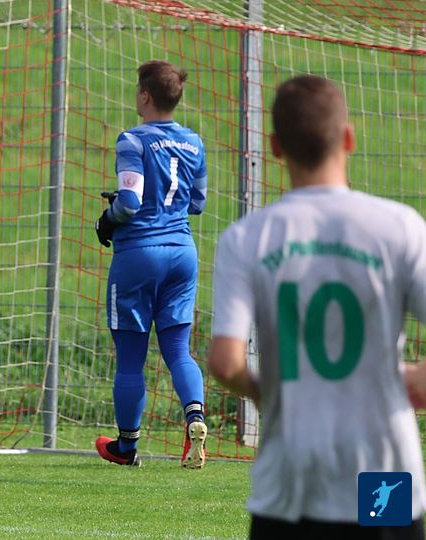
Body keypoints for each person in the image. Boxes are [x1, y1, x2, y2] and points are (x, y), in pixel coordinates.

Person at [209, 75, 426, 537]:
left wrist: (269, 392)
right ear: (348, 138)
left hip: (290, 481)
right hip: (383, 473)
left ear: (275, 147)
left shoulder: (246, 238)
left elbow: (225, 363)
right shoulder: (399, 227)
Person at [93, 60, 209, 468]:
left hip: (139, 255)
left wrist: (106, 221)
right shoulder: (194, 142)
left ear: (145, 96)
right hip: (182, 253)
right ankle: (195, 418)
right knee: (178, 349)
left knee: (130, 358)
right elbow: (197, 203)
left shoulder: (133, 140)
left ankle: (126, 447)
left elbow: (129, 202)